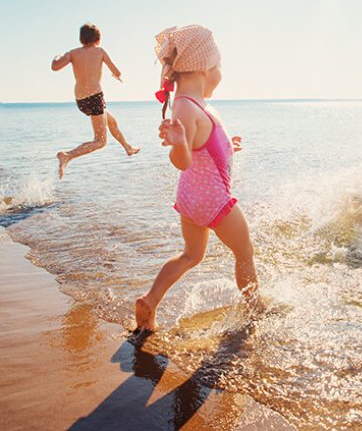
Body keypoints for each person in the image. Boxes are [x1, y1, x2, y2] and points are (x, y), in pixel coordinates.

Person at [135, 25, 260, 331]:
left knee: (191, 255)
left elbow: (205, 148)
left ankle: (150, 301)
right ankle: (256, 311)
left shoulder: (193, 104)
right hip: (213, 200)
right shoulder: (185, 107)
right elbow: (183, 160)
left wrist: (230, 147)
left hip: (190, 199)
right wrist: (178, 142)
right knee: (244, 252)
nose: (221, 74)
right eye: (220, 67)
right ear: (205, 68)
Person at [51, 23, 140, 179]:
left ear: (81, 38)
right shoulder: (100, 51)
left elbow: (55, 67)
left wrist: (57, 56)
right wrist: (116, 76)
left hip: (81, 101)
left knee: (111, 120)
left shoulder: (72, 53)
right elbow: (117, 72)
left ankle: (128, 147)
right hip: (95, 97)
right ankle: (67, 155)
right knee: (100, 141)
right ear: (98, 38)